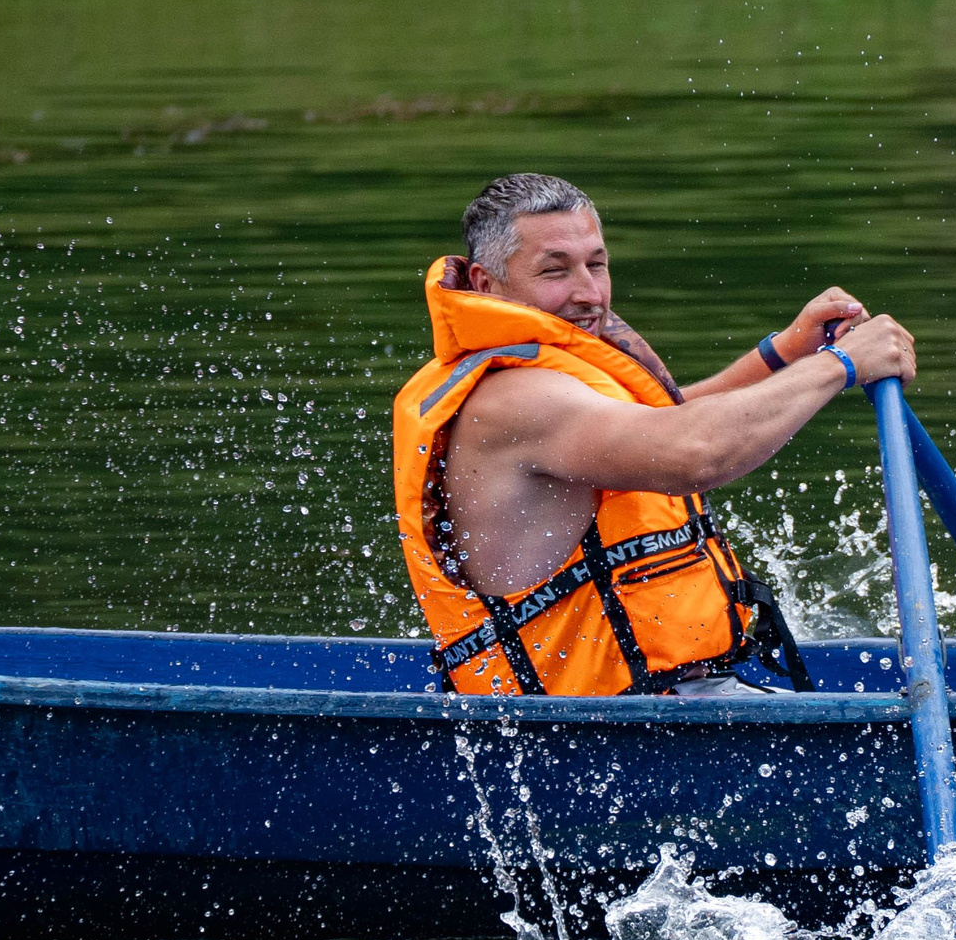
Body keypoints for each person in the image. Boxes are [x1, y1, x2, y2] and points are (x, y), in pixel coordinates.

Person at [392, 172, 916, 696]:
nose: (590, 293)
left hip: (650, 709)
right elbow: (692, 451)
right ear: (485, 284)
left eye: (596, 264)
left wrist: (783, 354)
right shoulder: (513, 398)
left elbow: (655, 424)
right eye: (555, 271)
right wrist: (839, 365)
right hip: (584, 738)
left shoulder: (546, 383)